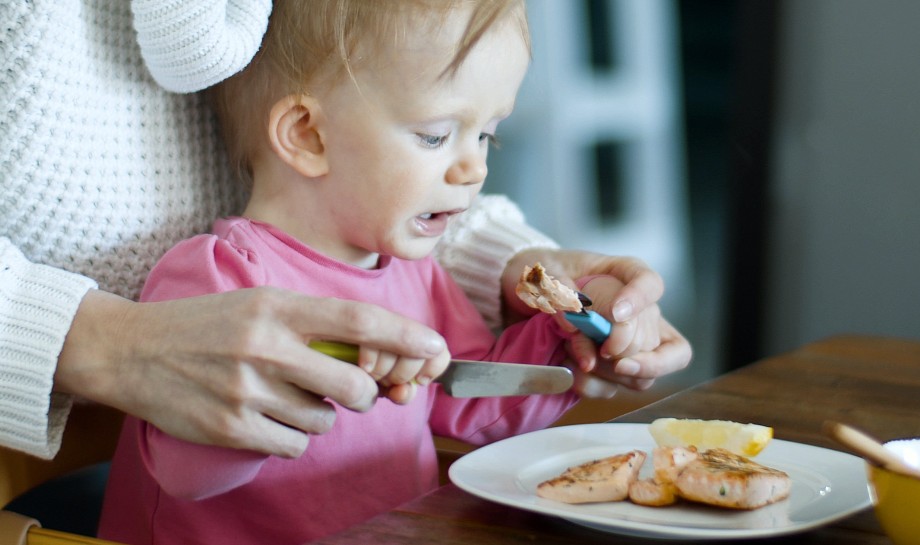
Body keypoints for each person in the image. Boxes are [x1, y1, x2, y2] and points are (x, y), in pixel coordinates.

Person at [0, 0, 690, 463]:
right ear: (306, 134)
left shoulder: (414, 273)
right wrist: (298, 398)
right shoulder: (213, 280)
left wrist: (561, 346)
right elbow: (185, 474)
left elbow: (463, 410)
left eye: (488, 135)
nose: (474, 166)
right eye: (435, 134)